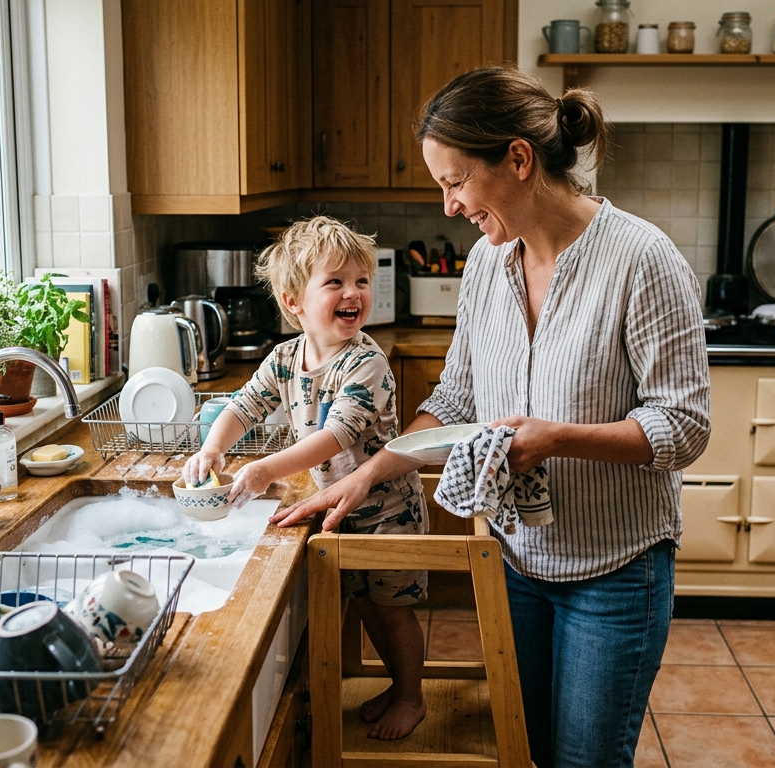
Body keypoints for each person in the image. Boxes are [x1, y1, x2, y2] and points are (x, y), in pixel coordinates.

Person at [271, 67, 711, 767]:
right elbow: (455, 399)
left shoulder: (642, 259)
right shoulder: (485, 263)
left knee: (586, 761)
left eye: (455, 181)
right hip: (515, 561)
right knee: (531, 749)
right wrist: (367, 475)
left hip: (616, 571)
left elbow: (682, 428)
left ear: (517, 159)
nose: (448, 206)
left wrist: (556, 438)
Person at [183, 215, 430, 741]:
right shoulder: (284, 358)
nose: (353, 293)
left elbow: (337, 436)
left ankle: (411, 695)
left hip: (388, 513)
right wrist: (212, 448)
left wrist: (267, 468)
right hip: (339, 511)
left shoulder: (367, 362)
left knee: (395, 611)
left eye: (361, 280)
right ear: (294, 301)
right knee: (365, 605)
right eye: (335, 281)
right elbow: (243, 406)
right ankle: (396, 683)